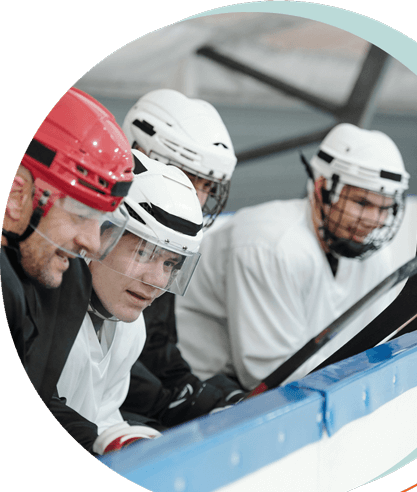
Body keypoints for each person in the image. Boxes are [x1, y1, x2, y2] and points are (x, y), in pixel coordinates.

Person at [175, 123, 411, 390]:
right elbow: (267, 372)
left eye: (384, 208)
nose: (374, 220)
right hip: (201, 386)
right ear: (323, 188)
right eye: (362, 203)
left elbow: (374, 343)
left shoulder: (374, 257)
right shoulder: (269, 244)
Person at [56, 151, 204, 454]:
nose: (157, 280)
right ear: (99, 234)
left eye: (170, 264)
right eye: (143, 253)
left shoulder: (131, 328)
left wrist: (132, 442)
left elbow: (102, 418)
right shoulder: (40, 316)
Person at [1, 87, 134, 415]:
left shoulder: (68, 282)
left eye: (100, 220)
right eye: (81, 214)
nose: (93, 243)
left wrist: (99, 439)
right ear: (17, 197)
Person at [118, 89, 245, 430]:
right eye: (188, 178)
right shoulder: (96, 237)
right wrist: (180, 402)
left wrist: (195, 393)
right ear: (138, 155)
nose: (199, 199)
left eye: (207, 186)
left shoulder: (169, 245)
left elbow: (158, 346)